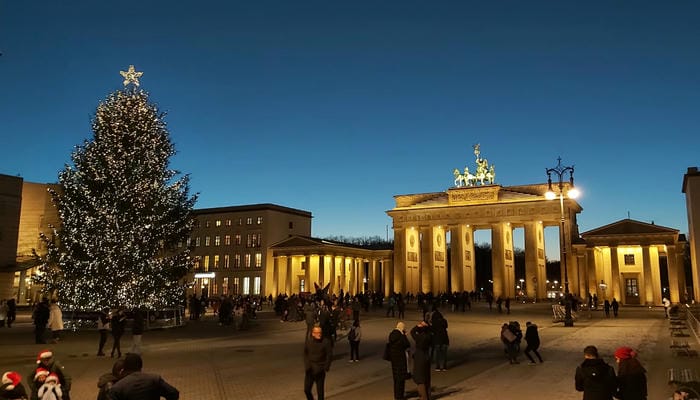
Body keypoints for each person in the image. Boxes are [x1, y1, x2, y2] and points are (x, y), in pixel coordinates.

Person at [108, 353, 179, 400]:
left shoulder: (117, 387)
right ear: (141, 366)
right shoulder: (154, 379)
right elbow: (173, 393)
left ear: (125, 368)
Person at [303, 325, 333, 400]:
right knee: (307, 390)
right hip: (310, 370)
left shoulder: (326, 342)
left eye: (320, 332)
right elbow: (305, 353)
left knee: (320, 392)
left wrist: (326, 367)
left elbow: (329, 355)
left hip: (320, 369)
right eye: (316, 333)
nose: (319, 334)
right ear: (313, 333)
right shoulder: (309, 342)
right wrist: (307, 365)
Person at [388, 322, 411, 400]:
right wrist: (404, 335)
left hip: (394, 360)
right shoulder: (401, 336)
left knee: (396, 379)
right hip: (401, 360)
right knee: (401, 379)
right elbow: (407, 344)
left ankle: (397, 396)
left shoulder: (392, 335)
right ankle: (400, 396)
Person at [411, 321, 433, 400]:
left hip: (420, 357)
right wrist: (427, 326)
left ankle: (424, 397)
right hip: (426, 356)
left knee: (420, 379)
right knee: (427, 378)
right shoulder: (429, 336)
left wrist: (418, 326)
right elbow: (431, 331)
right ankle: (428, 396)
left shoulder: (419, 337)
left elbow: (412, 332)